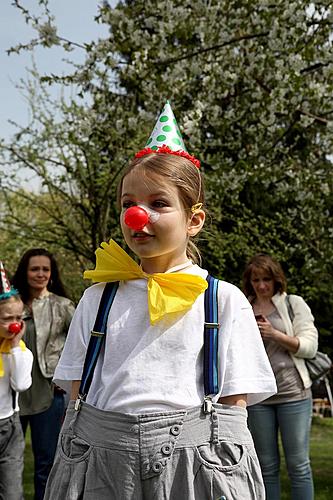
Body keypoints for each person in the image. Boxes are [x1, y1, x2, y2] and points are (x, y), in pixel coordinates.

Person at [45, 102, 276, 500]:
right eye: (128, 203)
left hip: (198, 455)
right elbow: (75, 384)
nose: (138, 215)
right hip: (101, 451)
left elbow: (236, 398)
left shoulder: (222, 298)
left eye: (159, 203)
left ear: (194, 220)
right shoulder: (98, 296)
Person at [242, 253, 318, 500]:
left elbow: (310, 347)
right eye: (256, 280)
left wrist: (274, 334)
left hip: (293, 394)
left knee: (299, 465)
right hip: (259, 397)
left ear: (276, 280)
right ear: (249, 281)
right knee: (266, 467)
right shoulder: (243, 306)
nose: (261, 285)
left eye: (266, 279)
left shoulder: (293, 304)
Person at [12, 249, 75, 500]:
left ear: (51, 275)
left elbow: (81, 346)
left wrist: (66, 377)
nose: (40, 274)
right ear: (24, 272)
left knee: (46, 464)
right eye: (34, 269)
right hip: (12, 396)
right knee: (9, 463)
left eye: (45, 269)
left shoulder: (63, 306)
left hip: (49, 395)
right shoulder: (9, 304)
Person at [0, 261, 33, 500]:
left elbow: (21, 384)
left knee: (12, 493)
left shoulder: (20, 351)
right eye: (6, 318)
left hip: (9, 427)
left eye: (18, 317)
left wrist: (13, 347)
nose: (14, 323)